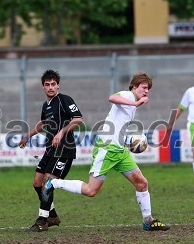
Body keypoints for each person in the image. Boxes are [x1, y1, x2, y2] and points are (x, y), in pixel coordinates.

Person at [41, 72, 171, 231]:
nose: (146, 91)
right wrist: (135, 104)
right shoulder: (128, 95)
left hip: (120, 151)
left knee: (142, 183)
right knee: (91, 190)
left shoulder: (132, 101)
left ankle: (148, 221)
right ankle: (53, 183)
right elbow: (112, 98)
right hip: (107, 149)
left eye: (148, 89)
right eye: (144, 87)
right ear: (134, 87)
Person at [19, 70, 84, 232]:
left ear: (58, 85)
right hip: (50, 150)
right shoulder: (46, 105)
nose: (50, 87)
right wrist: (28, 136)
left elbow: (78, 119)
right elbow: (43, 123)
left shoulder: (64, 100)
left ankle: (42, 220)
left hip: (64, 149)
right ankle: (53, 216)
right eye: (47, 84)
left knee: (48, 184)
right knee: (37, 183)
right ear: (43, 87)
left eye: (53, 84)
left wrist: (61, 132)